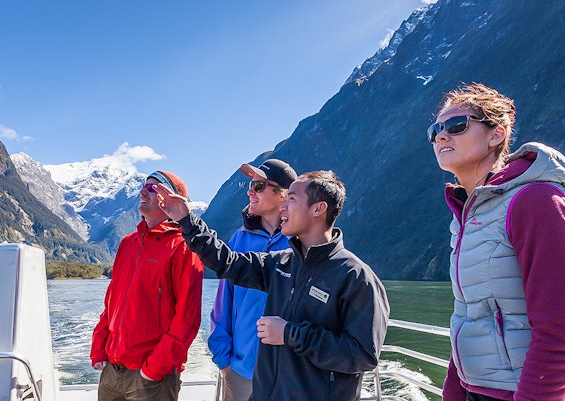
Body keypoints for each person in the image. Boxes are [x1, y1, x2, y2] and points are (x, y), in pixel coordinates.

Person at [155, 170, 390, 401]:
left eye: (292, 199)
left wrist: (290, 334)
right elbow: (228, 262)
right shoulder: (282, 263)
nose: (284, 207)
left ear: (318, 209)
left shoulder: (356, 278)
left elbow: (362, 355)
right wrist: (187, 221)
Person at [428, 83, 565, 401]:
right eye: (435, 130)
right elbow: (469, 318)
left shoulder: (538, 201)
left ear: (496, 135)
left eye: (456, 125)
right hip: (479, 390)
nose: (441, 136)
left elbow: (561, 334)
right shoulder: (467, 217)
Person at [89, 171, 204, 401]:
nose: (143, 191)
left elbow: (187, 318)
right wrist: (99, 348)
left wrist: (153, 370)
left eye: (153, 188)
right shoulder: (127, 243)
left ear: (172, 199)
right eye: (144, 186)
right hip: (112, 371)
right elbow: (111, 303)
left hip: (151, 378)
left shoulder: (183, 247)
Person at [209, 158, 297, 401]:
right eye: (249, 185)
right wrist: (224, 362)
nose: (250, 191)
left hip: (290, 375)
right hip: (241, 370)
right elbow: (222, 303)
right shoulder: (238, 239)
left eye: (259, 186)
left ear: (283, 196)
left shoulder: (300, 241)